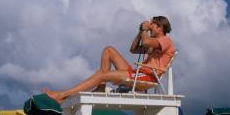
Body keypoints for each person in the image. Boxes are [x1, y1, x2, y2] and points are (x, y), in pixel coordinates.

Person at [42, 16, 174, 103]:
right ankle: (101, 86)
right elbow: (133, 49)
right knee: (108, 50)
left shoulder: (165, 41)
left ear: (160, 27)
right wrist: (140, 32)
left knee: (102, 75)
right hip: (139, 72)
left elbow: (145, 43)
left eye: (153, 26)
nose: (150, 29)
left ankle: (63, 95)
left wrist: (145, 29)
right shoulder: (154, 43)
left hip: (147, 77)